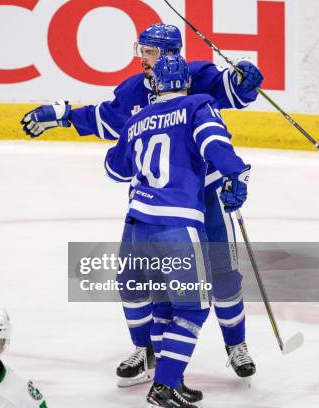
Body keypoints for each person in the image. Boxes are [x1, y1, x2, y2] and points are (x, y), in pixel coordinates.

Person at [21, 23, 261, 385]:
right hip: (158, 202)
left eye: (148, 52)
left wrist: (246, 78)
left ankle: (236, 345)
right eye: (142, 50)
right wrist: (65, 115)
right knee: (145, 278)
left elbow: (236, 91)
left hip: (205, 196)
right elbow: (105, 117)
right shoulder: (134, 90)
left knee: (223, 275)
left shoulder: (195, 77)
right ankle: (147, 350)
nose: (142, 58)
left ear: (168, 54)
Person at [104, 54, 251, 408]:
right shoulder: (198, 104)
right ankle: (164, 385)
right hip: (177, 225)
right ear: (186, 82)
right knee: (195, 306)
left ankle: (172, 379)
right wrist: (235, 174)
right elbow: (214, 144)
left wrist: (133, 137)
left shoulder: (138, 118)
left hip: (137, 226)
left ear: (156, 85)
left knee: (163, 305)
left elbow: (114, 168)